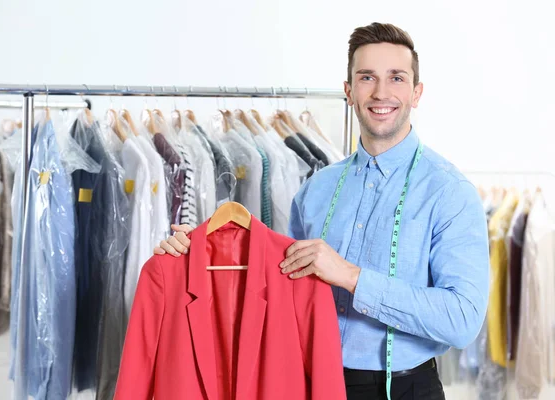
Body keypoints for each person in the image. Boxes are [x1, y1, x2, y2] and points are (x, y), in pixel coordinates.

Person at [154, 22, 489, 400]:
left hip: (405, 388)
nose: (381, 92)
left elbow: (463, 320)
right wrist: (192, 255)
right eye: (366, 78)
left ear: (416, 92)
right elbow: (278, 288)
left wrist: (350, 277)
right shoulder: (315, 191)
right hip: (309, 380)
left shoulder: (449, 192)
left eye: (396, 78)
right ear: (348, 91)